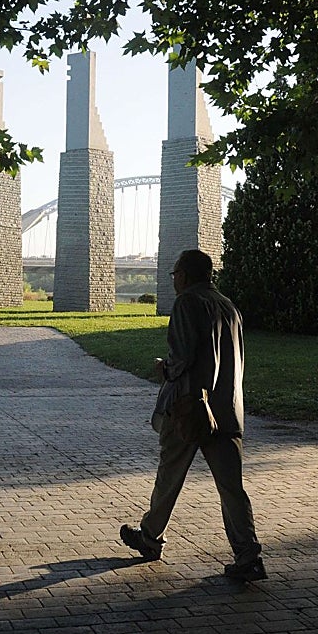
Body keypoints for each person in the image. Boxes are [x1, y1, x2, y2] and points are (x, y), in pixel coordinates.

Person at [120, 248, 265, 584]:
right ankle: (247, 555)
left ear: (183, 275)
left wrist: (164, 368)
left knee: (169, 476)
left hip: (189, 407)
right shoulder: (229, 306)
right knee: (232, 489)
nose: (173, 280)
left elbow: (182, 356)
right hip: (226, 409)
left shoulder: (187, 303)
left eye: (173, 274)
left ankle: (150, 537)